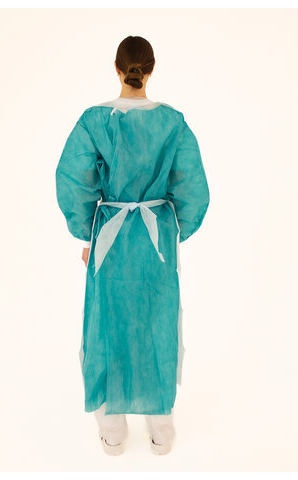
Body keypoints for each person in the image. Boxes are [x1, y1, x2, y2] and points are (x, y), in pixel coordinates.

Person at [55, 36, 210, 455]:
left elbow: (72, 181)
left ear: (117, 68)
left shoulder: (95, 121)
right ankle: (161, 430)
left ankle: (112, 431)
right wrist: (173, 233)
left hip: (108, 241)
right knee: (157, 325)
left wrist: (87, 234)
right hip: (157, 243)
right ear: (151, 69)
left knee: (104, 326)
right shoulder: (172, 122)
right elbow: (193, 188)